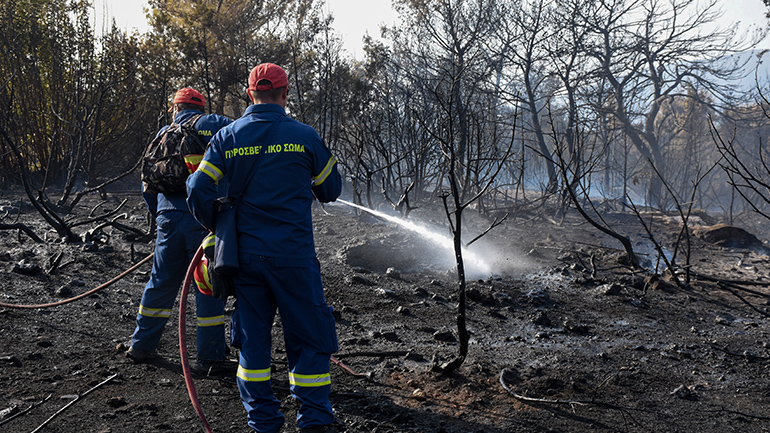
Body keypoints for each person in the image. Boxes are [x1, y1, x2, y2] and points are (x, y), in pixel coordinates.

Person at [186, 63, 342, 433]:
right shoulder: (304, 136)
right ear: (285, 94)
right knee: (308, 336)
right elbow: (330, 190)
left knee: (252, 343)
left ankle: (264, 422)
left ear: (249, 94)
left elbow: (196, 189)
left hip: (246, 259)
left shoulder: (227, 137)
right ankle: (315, 421)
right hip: (294, 258)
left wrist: (216, 223)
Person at [127, 87, 233, 373]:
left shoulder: (162, 134)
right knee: (206, 286)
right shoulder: (214, 124)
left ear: (175, 108)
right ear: (200, 106)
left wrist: (160, 214)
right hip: (203, 221)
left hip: (167, 220)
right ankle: (210, 358)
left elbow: (147, 183)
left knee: (160, 282)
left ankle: (142, 346)